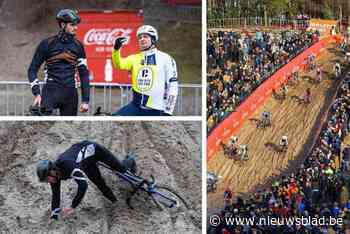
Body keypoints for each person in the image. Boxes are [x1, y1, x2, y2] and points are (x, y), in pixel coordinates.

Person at [36, 140, 137, 220]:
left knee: (120, 170)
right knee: (99, 183)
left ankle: (130, 160)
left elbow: (83, 185)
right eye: (45, 180)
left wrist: (72, 206)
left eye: (47, 179)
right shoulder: (55, 177)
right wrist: (54, 215)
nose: (48, 182)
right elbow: (56, 194)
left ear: (52, 171)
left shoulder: (68, 165)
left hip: (94, 149)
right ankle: (115, 202)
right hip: (86, 163)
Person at [27, 9, 90, 116]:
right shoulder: (47, 44)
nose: (76, 27)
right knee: (42, 129)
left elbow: (83, 74)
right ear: (62, 25)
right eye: (72, 25)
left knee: (68, 131)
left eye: (76, 25)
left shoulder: (78, 46)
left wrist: (85, 100)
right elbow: (32, 70)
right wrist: (37, 93)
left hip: (70, 94)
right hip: (50, 92)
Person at [111, 25, 178, 116]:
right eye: (140, 37)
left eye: (145, 36)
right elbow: (119, 65)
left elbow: (173, 85)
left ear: (153, 39)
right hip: (135, 106)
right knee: (114, 120)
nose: (142, 39)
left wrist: (168, 111)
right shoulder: (134, 58)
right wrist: (116, 50)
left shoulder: (165, 58)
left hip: (156, 109)